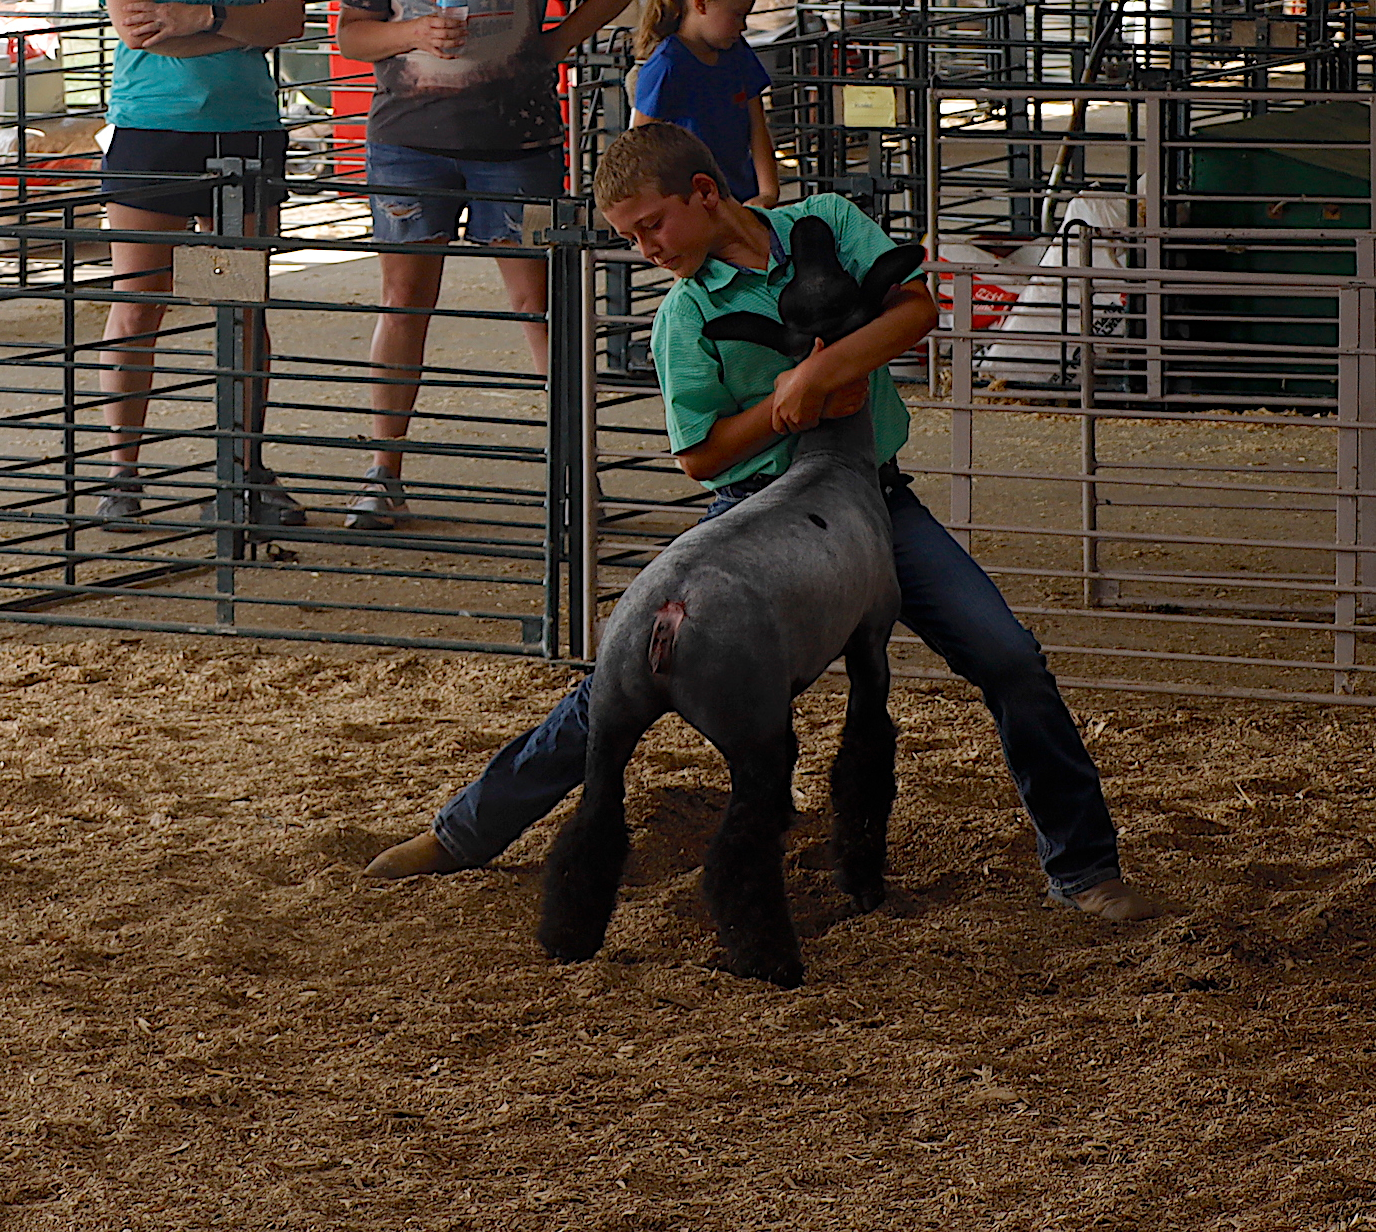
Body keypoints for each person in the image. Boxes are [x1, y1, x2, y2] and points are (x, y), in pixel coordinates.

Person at [363, 123, 1157, 924]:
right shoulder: (685, 314)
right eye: (630, 238)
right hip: (754, 520)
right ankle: (465, 831)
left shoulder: (827, 224)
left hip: (871, 502)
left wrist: (821, 373)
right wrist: (788, 407)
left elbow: (914, 306)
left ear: (705, 192)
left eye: (652, 225)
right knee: (620, 681)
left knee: (1009, 658)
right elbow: (700, 455)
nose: (645, 249)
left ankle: (1083, 868)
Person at [334, 0, 650, 530]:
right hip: (410, 139)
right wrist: (412, 32)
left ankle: (576, 473)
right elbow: (351, 34)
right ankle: (382, 472)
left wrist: (561, 40)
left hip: (517, 138)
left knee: (538, 304)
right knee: (403, 299)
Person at [92, 0, 308, 531]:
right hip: (154, 131)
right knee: (138, 303)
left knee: (240, 305)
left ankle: (245, 467)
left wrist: (200, 15)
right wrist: (235, 24)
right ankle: (123, 472)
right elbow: (136, 25)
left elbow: (290, 20)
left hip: (240, 131)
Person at [631, 0, 781, 208]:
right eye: (737, 14)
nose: (743, 26)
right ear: (701, 4)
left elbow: (757, 126)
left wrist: (768, 193)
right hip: (691, 206)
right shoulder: (667, 64)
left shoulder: (738, 53)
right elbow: (640, 148)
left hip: (742, 199)